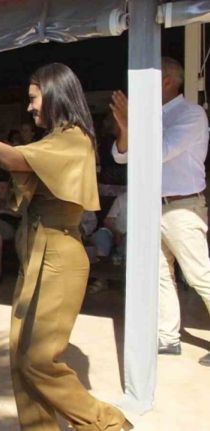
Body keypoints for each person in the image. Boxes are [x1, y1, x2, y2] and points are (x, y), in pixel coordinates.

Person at [0, 63, 133, 430]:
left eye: (33, 98)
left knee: (39, 361)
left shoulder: (73, 138)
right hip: (37, 252)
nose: (29, 107)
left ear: (55, 93)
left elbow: (10, 158)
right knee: (20, 354)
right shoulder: (53, 140)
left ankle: (108, 423)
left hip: (60, 255)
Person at [110, 57, 210, 366]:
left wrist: (133, 125)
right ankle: (168, 336)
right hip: (152, 206)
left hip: (182, 206)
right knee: (160, 275)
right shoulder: (147, 116)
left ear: (166, 81)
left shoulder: (191, 114)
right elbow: (120, 155)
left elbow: (159, 151)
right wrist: (126, 127)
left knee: (199, 274)